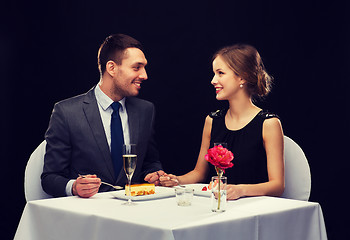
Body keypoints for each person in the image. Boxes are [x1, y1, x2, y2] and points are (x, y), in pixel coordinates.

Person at [41, 34, 164, 198]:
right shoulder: (66, 112)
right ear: (112, 68)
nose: (144, 75)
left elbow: (150, 162)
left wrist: (155, 174)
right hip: (89, 216)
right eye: (137, 67)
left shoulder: (145, 110)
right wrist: (74, 187)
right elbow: (49, 178)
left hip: (135, 211)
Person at [158, 44, 285, 200]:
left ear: (242, 77)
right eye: (214, 73)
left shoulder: (268, 123)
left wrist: (240, 190)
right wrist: (176, 180)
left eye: (220, 73)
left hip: (254, 210)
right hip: (218, 206)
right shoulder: (212, 120)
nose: (213, 80)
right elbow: (199, 173)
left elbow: (277, 185)